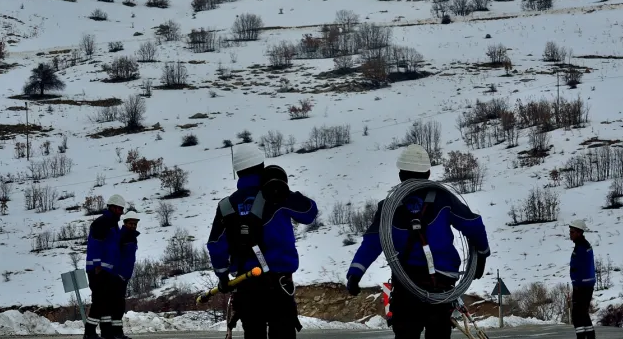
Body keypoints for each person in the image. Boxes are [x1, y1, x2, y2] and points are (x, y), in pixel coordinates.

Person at [345, 144, 490, 339]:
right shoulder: (444, 199)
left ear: (400, 174)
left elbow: (372, 242)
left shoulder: (388, 207)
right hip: (441, 285)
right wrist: (482, 253)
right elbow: (473, 225)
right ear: (428, 172)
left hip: (407, 289)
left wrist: (355, 273)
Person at [206, 145, 319, 339]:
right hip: (279, 285)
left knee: (253, 334)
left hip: (246, 286)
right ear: (262, 165)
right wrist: (287, 191)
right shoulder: (278, 195)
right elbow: (309, 213)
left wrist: (223, 278)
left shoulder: (226, 206)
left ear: (238, 171)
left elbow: (216, 246)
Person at [84, 194, 125, 339]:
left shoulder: (113, 225)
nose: (120, 212)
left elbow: (113, 248)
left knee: (106, 302)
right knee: (99, 301)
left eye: (122, 209)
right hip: (98, 270)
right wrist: (97, 265)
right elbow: (95, 244)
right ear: (112, 208)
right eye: (119, 209)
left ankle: (106, 332)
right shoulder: (103, 222)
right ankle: (89, 332)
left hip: (108, 270)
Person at [109, 209, 140, 339]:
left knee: (119, 305)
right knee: (117, 305)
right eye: (130, 223)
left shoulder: (131, 237)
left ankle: (117, 332)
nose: (133, 226)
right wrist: (118, 274)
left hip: (124, 276)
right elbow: (115, 256)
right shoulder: (121, 237)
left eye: (135, 224)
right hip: (118, 276)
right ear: (125, 223)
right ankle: (115, 333)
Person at [569, 219, 596, 339]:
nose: (570, 234)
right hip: (584, 284)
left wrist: (576, 281)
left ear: (579, 232)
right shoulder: (584, 245)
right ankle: (589, 336)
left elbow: (578, 267)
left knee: (577, 314)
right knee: (583, 314)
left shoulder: (581, 248)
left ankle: (581, 337)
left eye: (572, 232)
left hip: (582, 286)